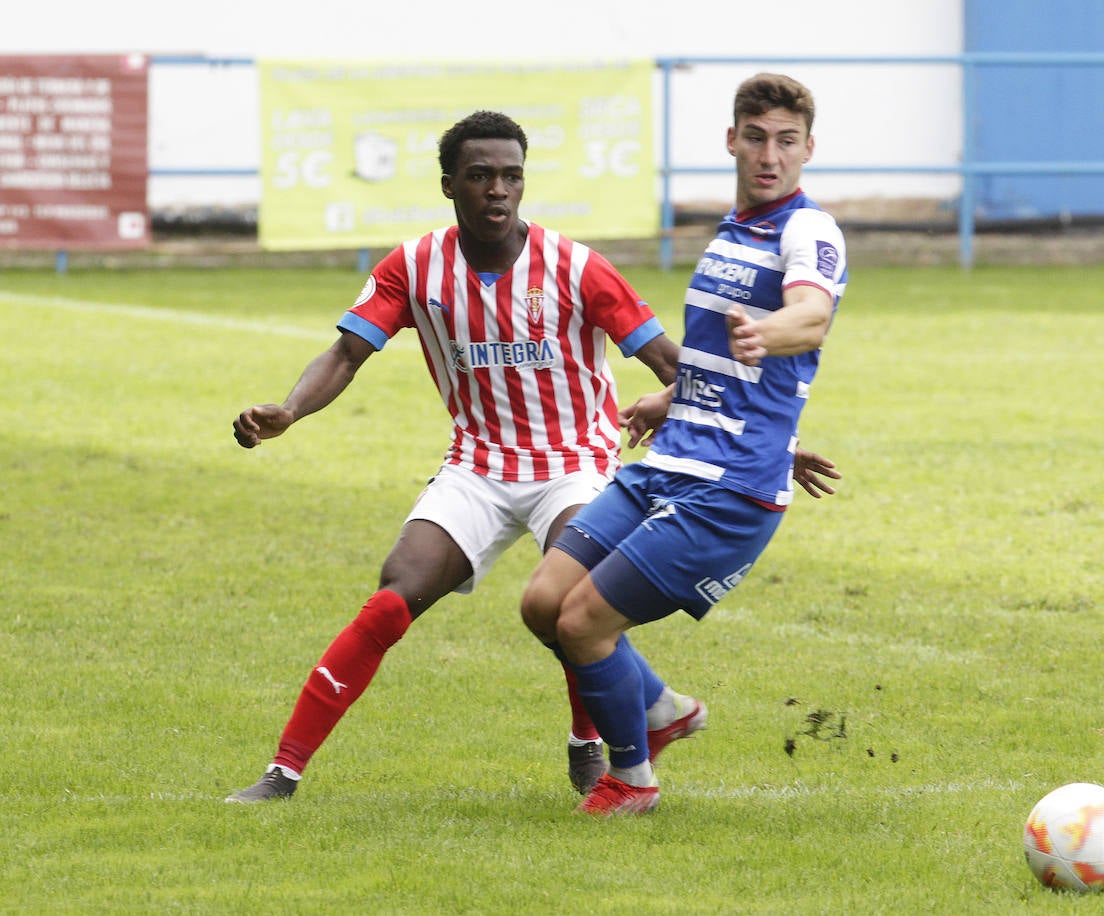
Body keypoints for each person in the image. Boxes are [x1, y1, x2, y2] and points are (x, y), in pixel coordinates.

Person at [226, 110, 840, 803]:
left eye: (511, 176)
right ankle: (285, 770)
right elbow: (347, 352)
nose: (497, 190)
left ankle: (593, 742)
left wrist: (758, 438)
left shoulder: (578, 267)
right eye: (481, 176)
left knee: (570, 602)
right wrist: (290, 411)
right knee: (391, 599)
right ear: (449, 184)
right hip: (478, 466)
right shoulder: (414, 266)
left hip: (575, 460)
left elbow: (679, 365)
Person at [520, 73, 848, 816]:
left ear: (808, 149)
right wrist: (668, 399)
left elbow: (812, 318)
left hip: (728, 491)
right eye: (757, 137)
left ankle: (632, 781)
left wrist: (770, 333)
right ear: (732, 140)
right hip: (668, 462)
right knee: (544, 603)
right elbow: (717, 361)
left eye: (787, 142)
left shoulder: (808, 231)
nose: (771, 155)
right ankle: (663, 709)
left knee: (583, 621)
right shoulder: (731, 235)